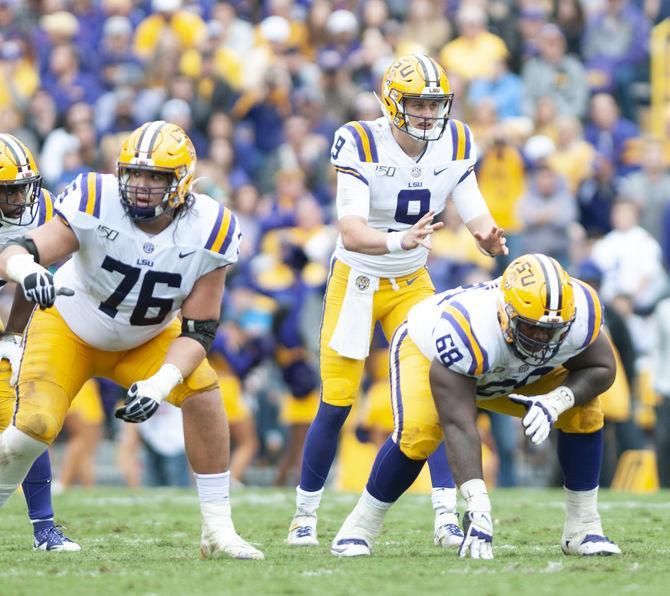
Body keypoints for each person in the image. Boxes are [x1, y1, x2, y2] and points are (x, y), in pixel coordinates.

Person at [0, 121, 263, 560]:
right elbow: (21, 249)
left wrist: (161, 384)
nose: (141, 186)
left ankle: (218, 529)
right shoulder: (94, 197)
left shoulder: (212, 227)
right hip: (69, 326)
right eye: (135, 174)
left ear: (180, 181)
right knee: (34, 428)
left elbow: (201, 329)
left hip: (147, 338)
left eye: (155, 176)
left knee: (204, 391)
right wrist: (27, 271)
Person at [287, 54, 508, 548]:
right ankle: (304, 516)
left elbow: (470, 202)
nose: (429, 114)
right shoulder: (360, 139)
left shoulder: (457, 140)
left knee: (433, 395)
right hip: (359, 280)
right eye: (418, 103)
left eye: (435, 104)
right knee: (337, 402)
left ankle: (445, 515)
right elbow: (350, 230)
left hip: (411, 283)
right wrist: (397, 242)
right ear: (392, 102)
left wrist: (486, 235)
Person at [331, 254, 621, 559]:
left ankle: (583, 528)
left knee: (583, 411)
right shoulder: (467, 330)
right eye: (532, 328)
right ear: (506, 312)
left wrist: (555, 401)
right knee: (420, 433)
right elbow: (459, 423)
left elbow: (602, 367)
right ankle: (359, 528)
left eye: (552, 331)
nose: (542, 339)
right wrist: (478, 505)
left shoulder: (579, 312)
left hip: (504, 369)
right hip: (430, 354)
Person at [0, 133, 80, 551]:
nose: (21, 197)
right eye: (8, 190)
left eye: (22, 187)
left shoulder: (42, 207)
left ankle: (45, 529)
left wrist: (12, 335)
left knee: (26, 421)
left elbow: (31, 278)